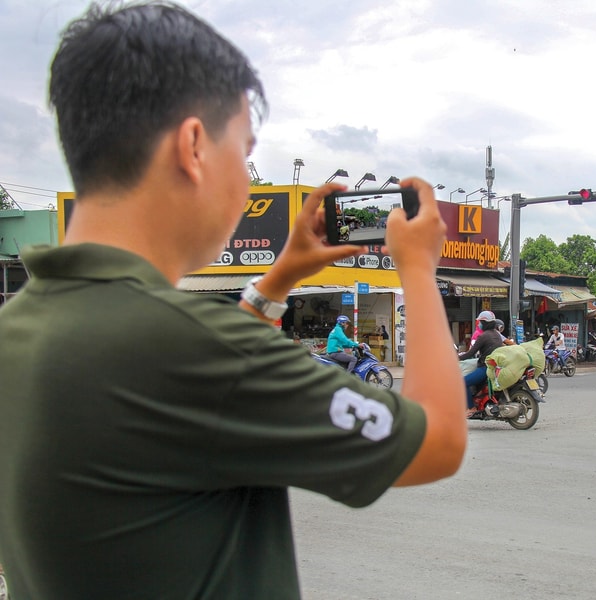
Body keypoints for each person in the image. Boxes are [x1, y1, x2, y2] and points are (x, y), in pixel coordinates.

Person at [0, 3, 466, 598]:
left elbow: (202, 396)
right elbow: (437, 441)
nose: (247, 181)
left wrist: (278, 280)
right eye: (244, 154)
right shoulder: (194, 347)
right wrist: (418, 270)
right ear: (194, 145)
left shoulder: (21, 324)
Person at [458, 311, 505, 417]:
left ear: (485, 323)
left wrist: (456, 358)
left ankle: (471, 408)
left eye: (480, 322)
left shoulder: (484, 336)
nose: (479, 324)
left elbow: (470, 353)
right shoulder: (497, 334)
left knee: (463, 382)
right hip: (495, 366)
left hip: (485, 368)